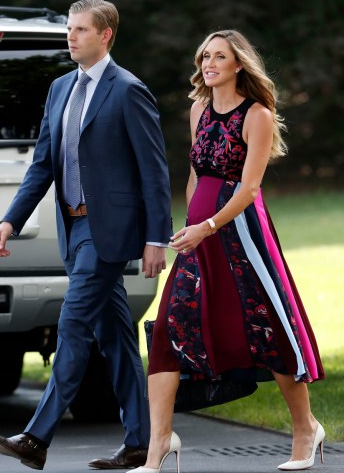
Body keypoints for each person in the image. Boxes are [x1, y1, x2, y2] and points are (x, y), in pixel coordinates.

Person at [0, 0, 172, 471]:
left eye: (81, 30)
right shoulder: (59, 88)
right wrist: (11, 219)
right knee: (115, 338)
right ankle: (143, 443)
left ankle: (36, 437)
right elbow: (43, 164)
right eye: (69, 28)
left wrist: (156, 238)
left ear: (105, 35)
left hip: (109, 231)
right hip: (73, 227)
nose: (71, 36)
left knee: (71, 323)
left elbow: (154, 172)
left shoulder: (128, 90)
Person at [128, 30, 325, 473]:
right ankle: (158, 445)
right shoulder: (198, 109)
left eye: (219, 56)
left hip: (242, 235)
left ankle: (306, 429)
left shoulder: (258, 114)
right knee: (167, 331)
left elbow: (250, 188)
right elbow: (197, 175)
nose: (209, 63)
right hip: (196, 236)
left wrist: (208, 226)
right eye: (205, 57)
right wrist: (189, 227)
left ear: (239, 65)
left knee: (270, 328)